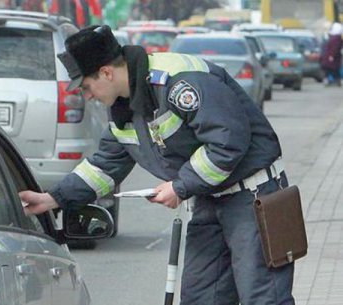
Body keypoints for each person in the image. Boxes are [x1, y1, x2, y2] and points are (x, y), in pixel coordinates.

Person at [19, 25, 294, 305]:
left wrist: (180, 185)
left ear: (106, 72)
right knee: (201, 298)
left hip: (254, 197)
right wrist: (53, 199)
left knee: (264, 297)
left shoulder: (179, 82)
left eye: (86, 86)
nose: (87, 95)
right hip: (210, 199)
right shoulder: (124, 109)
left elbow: (227, 141)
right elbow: (104, 166)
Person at [320, 22, 342, 86]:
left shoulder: (335, 39)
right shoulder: (336, 38)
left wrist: (331, 55)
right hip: (331, 57)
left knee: (331, 69)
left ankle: (333, 80)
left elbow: (334, 48)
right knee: (332, 69)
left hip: (331, 57)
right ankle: (332, 80)